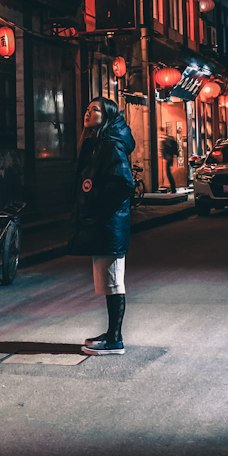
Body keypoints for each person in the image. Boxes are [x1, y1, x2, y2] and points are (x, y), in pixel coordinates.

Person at [70, 96, 135, 356]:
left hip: (110, 223)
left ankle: (115, 340)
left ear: (106, 115)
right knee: (108, 282)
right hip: (103, 222)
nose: (88, 113)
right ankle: (111, 334)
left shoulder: (111, 145)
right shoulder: (97, 142)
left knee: (114, 281)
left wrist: (95, 195)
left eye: (94, 110)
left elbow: (123, 184)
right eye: (87, 109)